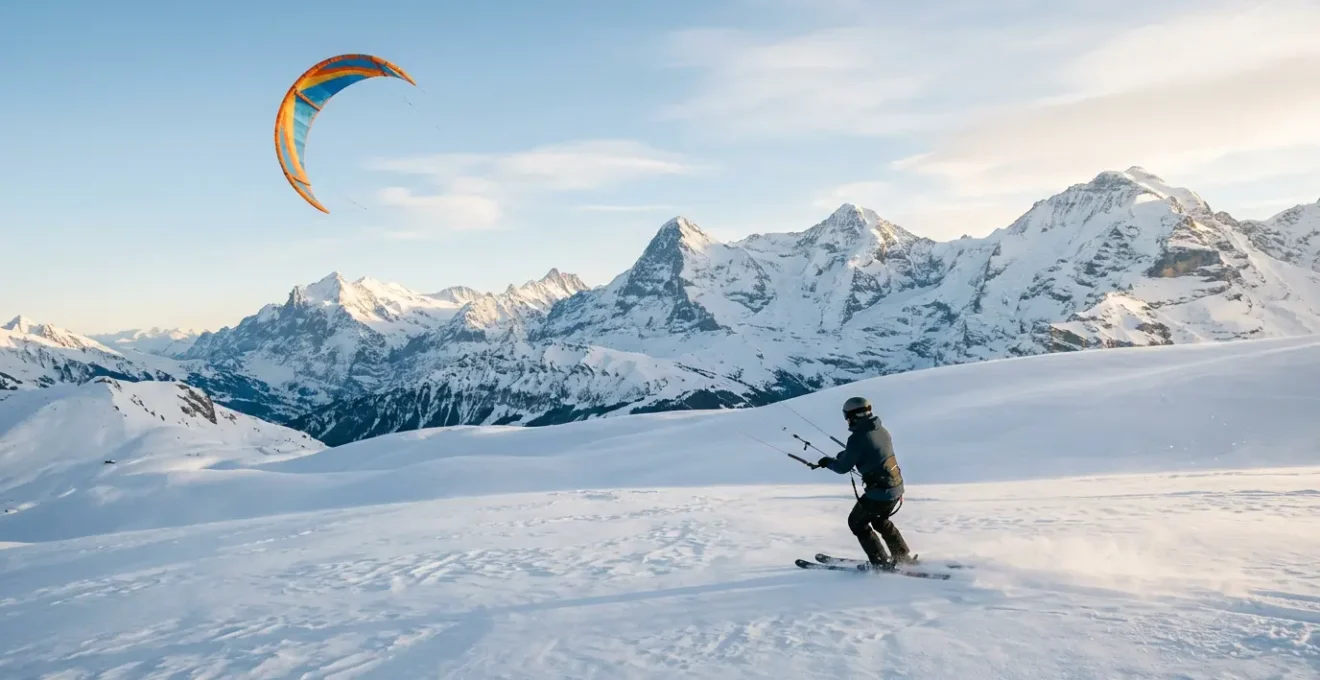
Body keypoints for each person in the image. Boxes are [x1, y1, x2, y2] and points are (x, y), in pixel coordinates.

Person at [814, 396, 912, 568]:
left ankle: (880, 562)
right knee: (880, 521)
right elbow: (871, 453)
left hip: (879, 493)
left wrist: (827, 462)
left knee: (857, 522)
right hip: (895, 487)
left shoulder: (858, 438)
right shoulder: (881, 430)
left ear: (851, 416)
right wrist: (844, 456)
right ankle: (902, 556)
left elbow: (843, 467)